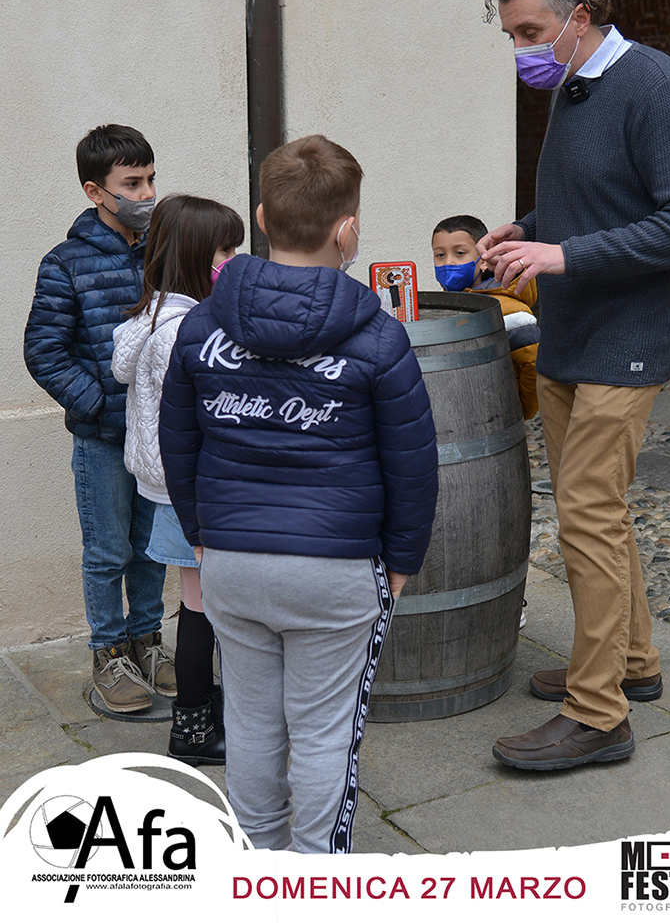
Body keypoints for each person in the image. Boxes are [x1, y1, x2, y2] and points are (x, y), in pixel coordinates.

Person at [158, 134, 438, 852]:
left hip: (231, 561)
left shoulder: (201, 326)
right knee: (323, 732)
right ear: (348, 231)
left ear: (260, 217)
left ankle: (257, 862)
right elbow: (412, 463)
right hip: (335, 570)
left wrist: (200, 533)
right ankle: (316, 877)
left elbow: (177, 443)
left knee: (251, 723)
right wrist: (402, 559)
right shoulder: (380, 339)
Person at [477, 0, 670, 770]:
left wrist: (562, 255)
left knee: (585, 512)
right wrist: (525, 228)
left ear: (579, 16)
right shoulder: (573, 85)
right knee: (599, 511)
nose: (521, 50)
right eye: (511, 36)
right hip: (572, 331)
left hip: (629, 335)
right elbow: (598, 197)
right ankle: (632, 661)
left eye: (530, 32)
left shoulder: (653, 84)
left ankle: (597, 713)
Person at [24, 124, 173, 714]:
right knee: (108, 551)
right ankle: (109, 655)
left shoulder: (165, 251)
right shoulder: (65, 263)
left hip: (157, 437)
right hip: (104, 440)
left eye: (151, 179)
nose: (147, 194)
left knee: (152, 549)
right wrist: (95, 404)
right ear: (95, 191)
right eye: (131, 184)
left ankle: (147, 642)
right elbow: (44, 351)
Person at [112, 194, 244, 763]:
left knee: (200, 604)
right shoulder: (184, 329)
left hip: (171, 487)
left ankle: (203, 713)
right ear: (194, 254)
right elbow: (200, 415)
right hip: (192, 491)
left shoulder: (153, 317)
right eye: (224, 250)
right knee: (205, 610)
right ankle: (193, 728)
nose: (232, 260)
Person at [432, 214, 539, 420]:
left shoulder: (508, 310)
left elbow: (533, 362)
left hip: (497, 417)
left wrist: (521, 409)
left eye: (460, 253)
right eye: (440, 255)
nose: (449, 262)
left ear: (483, 261)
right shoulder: (444, 307)